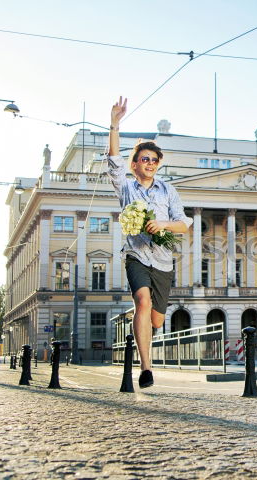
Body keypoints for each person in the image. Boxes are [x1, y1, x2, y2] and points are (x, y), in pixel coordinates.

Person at [109, 96, 193, 388]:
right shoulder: (126, 187)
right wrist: (115, 124)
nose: (150, 163)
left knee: (157, 320)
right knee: (142, 302)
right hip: (136, 254)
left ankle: (146, 331)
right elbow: (113, 161)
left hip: (163, 260)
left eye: (154, 160)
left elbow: (183, 224)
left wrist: (163, 224)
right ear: (135, 164)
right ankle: (146, 367)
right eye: (145, 159)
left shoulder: (168, 190)